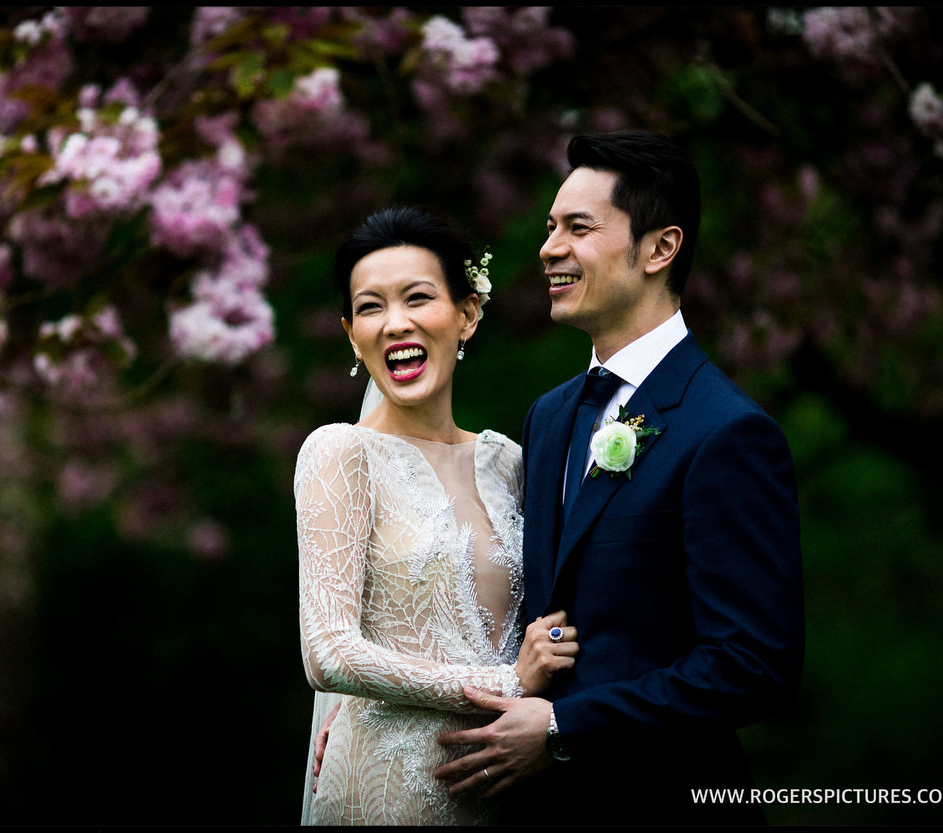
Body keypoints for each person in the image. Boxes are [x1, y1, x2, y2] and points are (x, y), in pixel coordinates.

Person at [431, 130, 805, 824]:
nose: (549, 248)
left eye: (578, 227)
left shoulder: (726, 432)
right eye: (549, 228)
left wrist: (563, 729)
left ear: (660, 248)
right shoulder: (550, 417)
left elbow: (754, 663)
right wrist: (375, 714)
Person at [295, 205, 580, 825]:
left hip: (515, 782)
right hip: (388, 785)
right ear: (351, 333)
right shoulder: (340, 453)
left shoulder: (508, 460)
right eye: (370, 307)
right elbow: (329, 654)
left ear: (467, 314)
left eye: (417, 298)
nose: (395, 323)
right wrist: (510, 685)